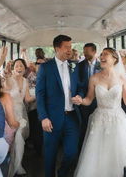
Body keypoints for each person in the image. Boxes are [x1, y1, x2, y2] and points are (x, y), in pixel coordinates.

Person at [72, 48, 126, 177]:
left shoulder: (123, 78)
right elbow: (88, 100)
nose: (102, 57)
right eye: (101, 55)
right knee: (98, 154)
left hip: (118, 119)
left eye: (105, 54)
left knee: (118, 152)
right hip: (100, 119)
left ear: (114, 58)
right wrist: (80, 100)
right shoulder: (94, 78)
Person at [36, 35, 83, 177]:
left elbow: (80, 86)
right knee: (50, 155)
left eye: (70, 46)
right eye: (66, 47)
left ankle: (62, 173)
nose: (70, 50)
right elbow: (40, 94)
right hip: (51, 118)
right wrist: (43, 117)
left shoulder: (74, 66)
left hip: (72, 117)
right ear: (57, 48)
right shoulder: (45, 68)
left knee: (71, 152)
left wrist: (79, 95)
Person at [3, 58, 33, 176]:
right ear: (13, 69)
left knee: (19, 137)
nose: (19, 68)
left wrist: (40, 95)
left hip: (20, 113)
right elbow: (6, 85)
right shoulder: (10, 80)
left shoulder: (25, 81)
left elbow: (27, 99)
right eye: (16, 66)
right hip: (9, 113)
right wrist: (6, 73)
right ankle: (8, 162)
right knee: (11, 139)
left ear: (25, 69)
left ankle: (18, 165)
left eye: (21, 66)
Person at [78, 43, 101, 149]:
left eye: (87, 51)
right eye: (84, 51)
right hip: (84, 100)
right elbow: (79, 84)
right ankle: (84, 147)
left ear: (94, 51)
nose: (85, 53)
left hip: (99, 101)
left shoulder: (102, 65)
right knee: (85, 125)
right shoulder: (80, 65)